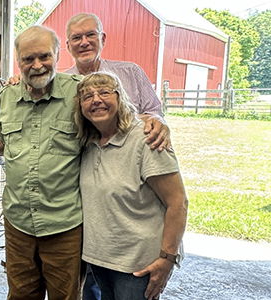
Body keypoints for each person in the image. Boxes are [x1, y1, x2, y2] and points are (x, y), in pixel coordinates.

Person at [0, 25, 84, 300]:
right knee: (21, 294)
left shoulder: (78, 96)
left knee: (66, 295)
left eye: (44, 56)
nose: (37, 65)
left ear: (58, 54)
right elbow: (5, 145)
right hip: (18, 222)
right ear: (18, 61)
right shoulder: (7, 98)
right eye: (28, 59)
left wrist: (151, 120)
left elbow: (111, 127)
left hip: (63, 223)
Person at [75, 71, 188, 300]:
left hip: (137, 265)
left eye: (105, 92)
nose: (96, 100)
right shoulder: (87, 143)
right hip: (101, 260)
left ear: (121, 98)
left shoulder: (146, 139)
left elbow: (178, 203)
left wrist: (167, 259)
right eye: (87, 97)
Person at [9, 13, 170, 151]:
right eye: (77, 38)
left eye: (91, 35)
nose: (84, 42)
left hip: (132, 156)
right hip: (86, 163)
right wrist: (22, 81)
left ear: (103, 38)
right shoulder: (60, 84)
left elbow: (155, 113)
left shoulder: (131, 73)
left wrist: (158, 123)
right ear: (68, 46)